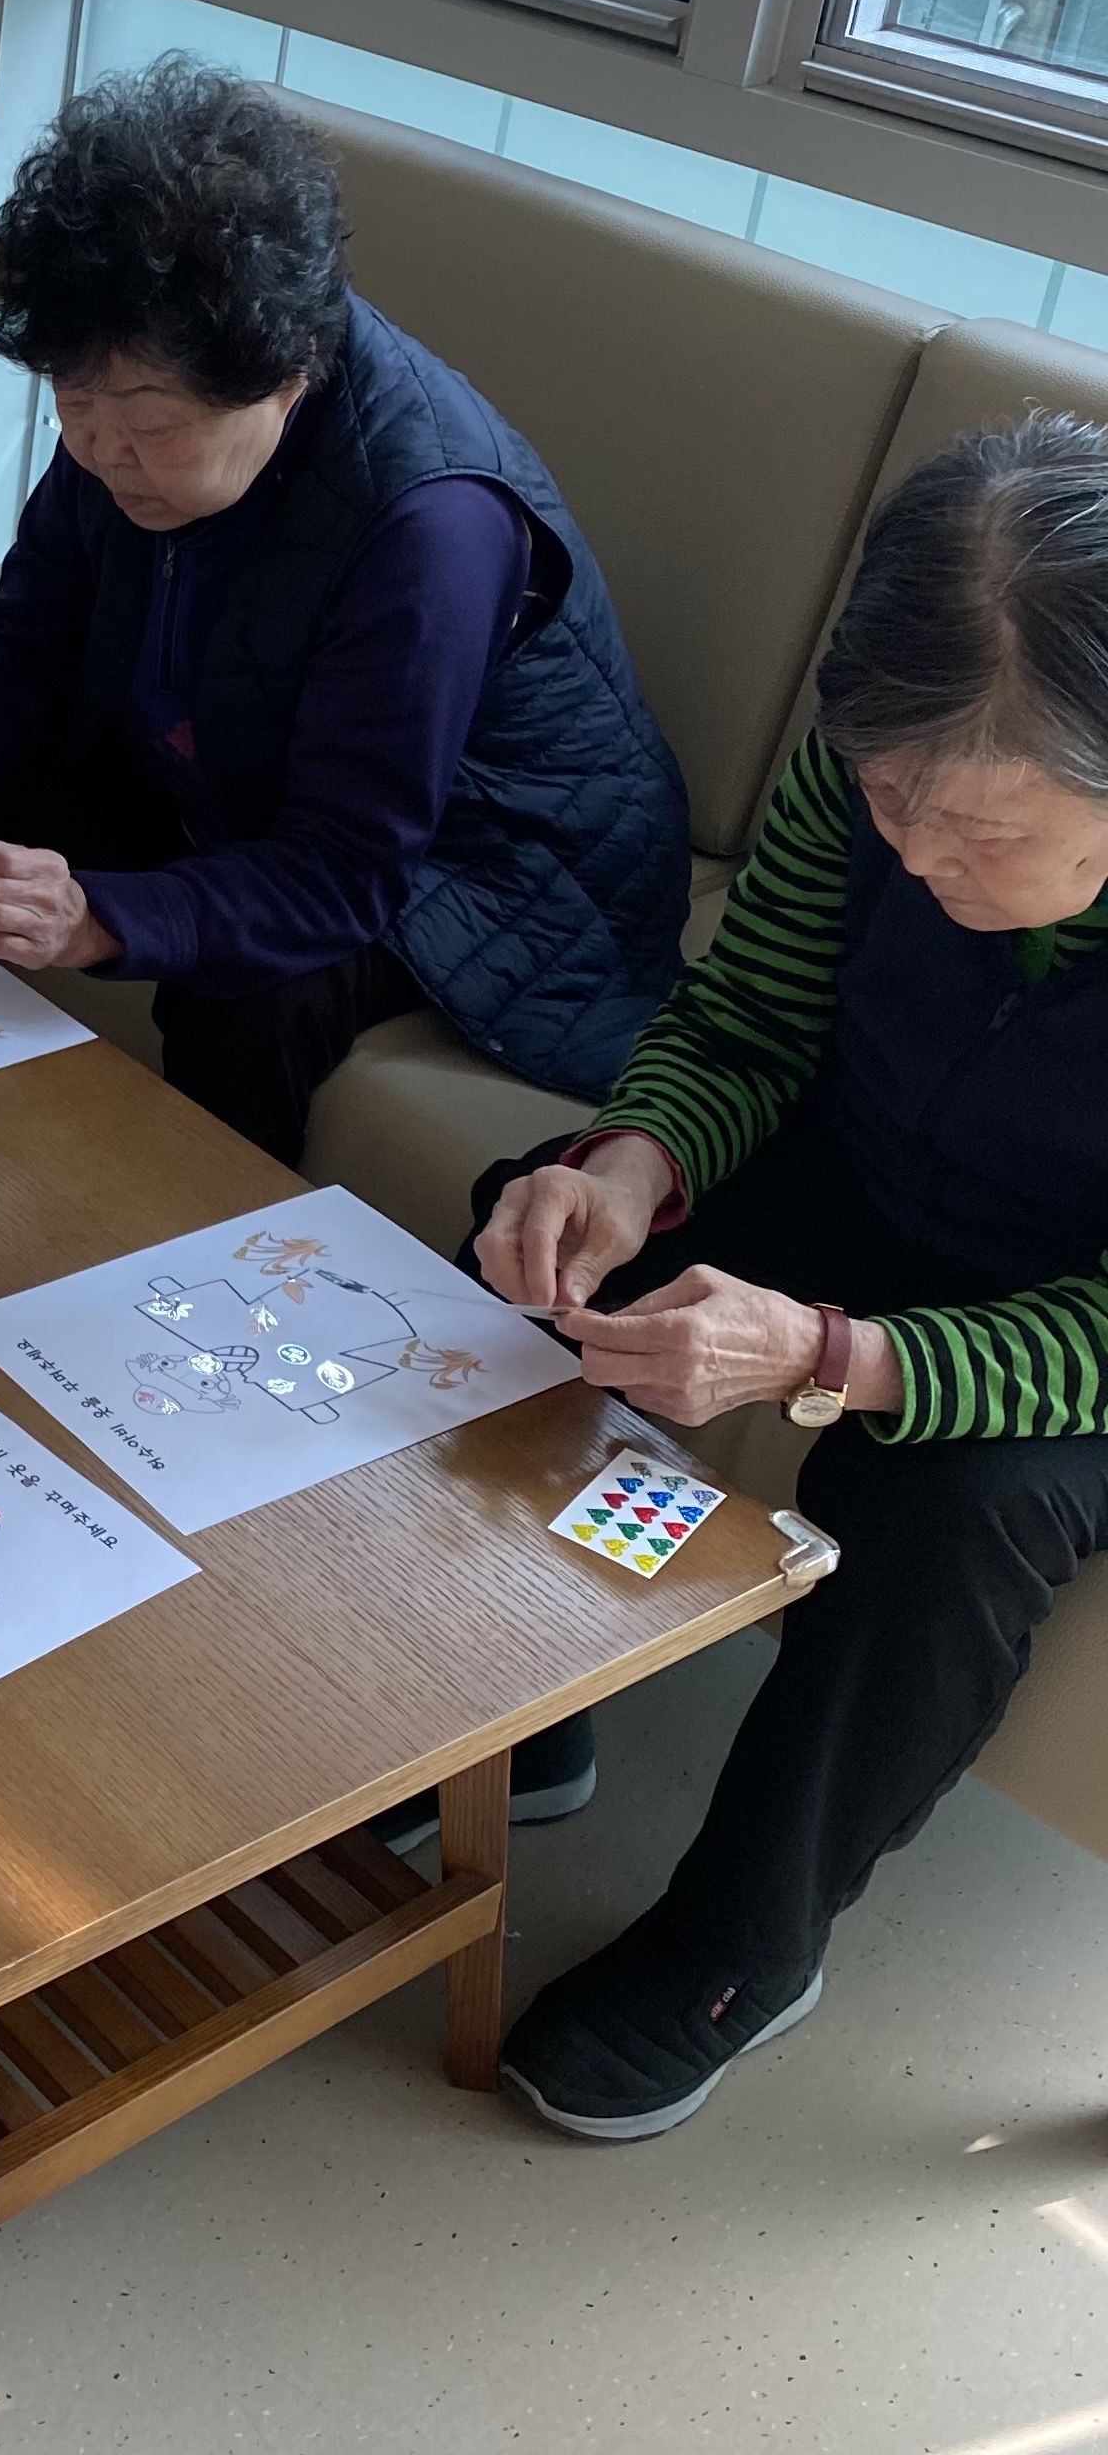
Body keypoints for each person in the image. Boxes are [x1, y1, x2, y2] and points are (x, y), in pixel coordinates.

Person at [473, 417, 1108, 2143]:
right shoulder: (877, 764)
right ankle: (518, 1708)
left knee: (945, 1508)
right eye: (889, 801)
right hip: (871, 1158)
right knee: (532, 1255)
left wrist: (832, 1354)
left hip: (1071, 1313)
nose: (916, 854)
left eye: (975, 828)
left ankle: (742, 1944)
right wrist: (630, 1164)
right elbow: (747, 1018)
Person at [0, 59, 688, 1167]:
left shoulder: (431, 527)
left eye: (149, 425)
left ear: (289, 373)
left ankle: (184, 1242)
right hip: (233, 766)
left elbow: (341, 869)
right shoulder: (127, 399)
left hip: (482, 865)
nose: (103, 452)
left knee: (246, 991)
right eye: (73, 403)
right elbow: (25, 648)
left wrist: (98, 920)